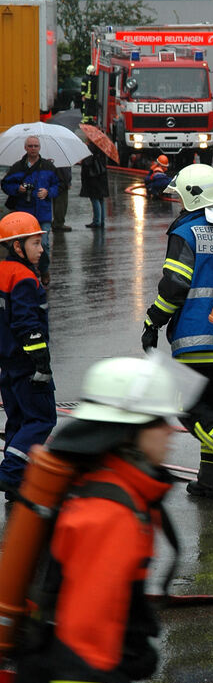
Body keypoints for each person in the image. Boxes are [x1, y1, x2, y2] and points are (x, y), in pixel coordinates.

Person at [7, 352, 203, 683]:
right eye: (158, 419)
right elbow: (83, 646)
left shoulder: (109, 485)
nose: (169, 430)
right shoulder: (110, 514)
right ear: (128, 432)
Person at [141, 164, 213, 500]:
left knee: (188, 407)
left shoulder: (187, 232)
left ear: (192, 197)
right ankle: (210, 482)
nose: (178, 203)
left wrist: (153, 321)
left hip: (194, 338)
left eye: (180, 197)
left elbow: (174, 286)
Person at [0, 212, 56, 501]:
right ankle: (10, 473)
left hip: (7, 366)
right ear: (17, 247)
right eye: (36, 243)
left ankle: (16, 484)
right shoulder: (22, 277)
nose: (41, 249)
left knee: (18, 421)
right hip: (27, 366)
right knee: (41, 419)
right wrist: (41, 363)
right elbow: (26, 325)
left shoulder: (1, 272)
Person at [1, 136, 59, 287]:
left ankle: (44, 270)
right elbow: (6, 184)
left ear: (40, 148)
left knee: (44, 244)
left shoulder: (48, 166)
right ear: (25, 148)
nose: (33, 149)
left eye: (36, 146)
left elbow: (57, 186)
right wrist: (17, 189)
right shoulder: (17, 167)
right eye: (30, 146)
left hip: (43, 213)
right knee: (22, 246)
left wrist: (48, 192)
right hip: (24, 214)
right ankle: (29, 272)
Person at [79, 142, 109, 228]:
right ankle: (101, 220)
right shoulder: (102, 147)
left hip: (93, 177)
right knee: (100, 199)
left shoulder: (90, 148)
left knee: (94, 198)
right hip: (101, 176)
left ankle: (97, 221)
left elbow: (87, 163)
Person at [51, 165, 72, 232]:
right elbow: (65, 173)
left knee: (57, 203)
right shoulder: (63, 162)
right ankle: (58, 223)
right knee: (61, 204)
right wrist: (68, 183)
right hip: (62, 184)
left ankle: (57, 222)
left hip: (56, 183)